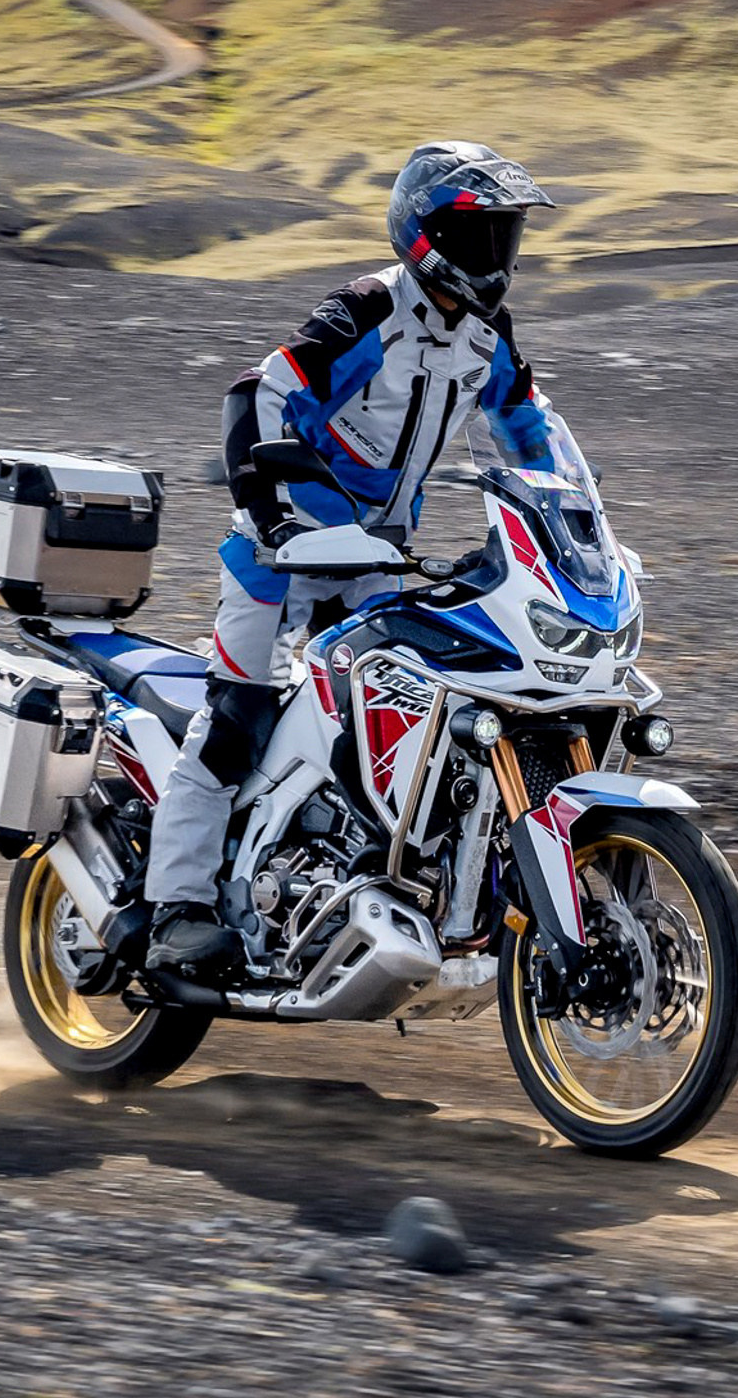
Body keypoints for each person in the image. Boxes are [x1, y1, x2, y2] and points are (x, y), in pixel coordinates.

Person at [144, 140, 598, 982]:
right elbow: (260, 392)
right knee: (235, 721)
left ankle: (358, 884)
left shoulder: (485, 337)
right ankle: (178, 908)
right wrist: (268, 508)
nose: (495, 256)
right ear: (423, 235)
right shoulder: (366, 313)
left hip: (377, 562)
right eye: (478, 236)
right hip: (281, 556)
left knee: (393, 729)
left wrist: (570, 503)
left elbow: (527, 426)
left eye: (504, 237)